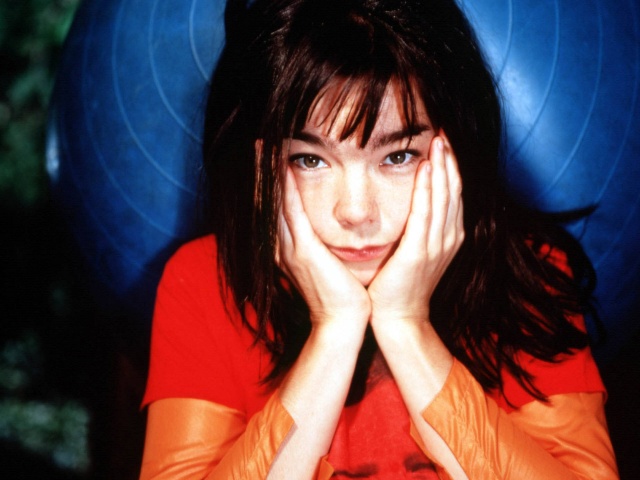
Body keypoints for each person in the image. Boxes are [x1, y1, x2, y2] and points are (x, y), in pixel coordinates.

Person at [139, 0, 619, 478]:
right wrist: (335, 328)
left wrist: (406, 324)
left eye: (398, 156)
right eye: (310, 160)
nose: (356, 212)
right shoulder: (204, 282)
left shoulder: (527, 271)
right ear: (261, 165)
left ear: (456, 147)